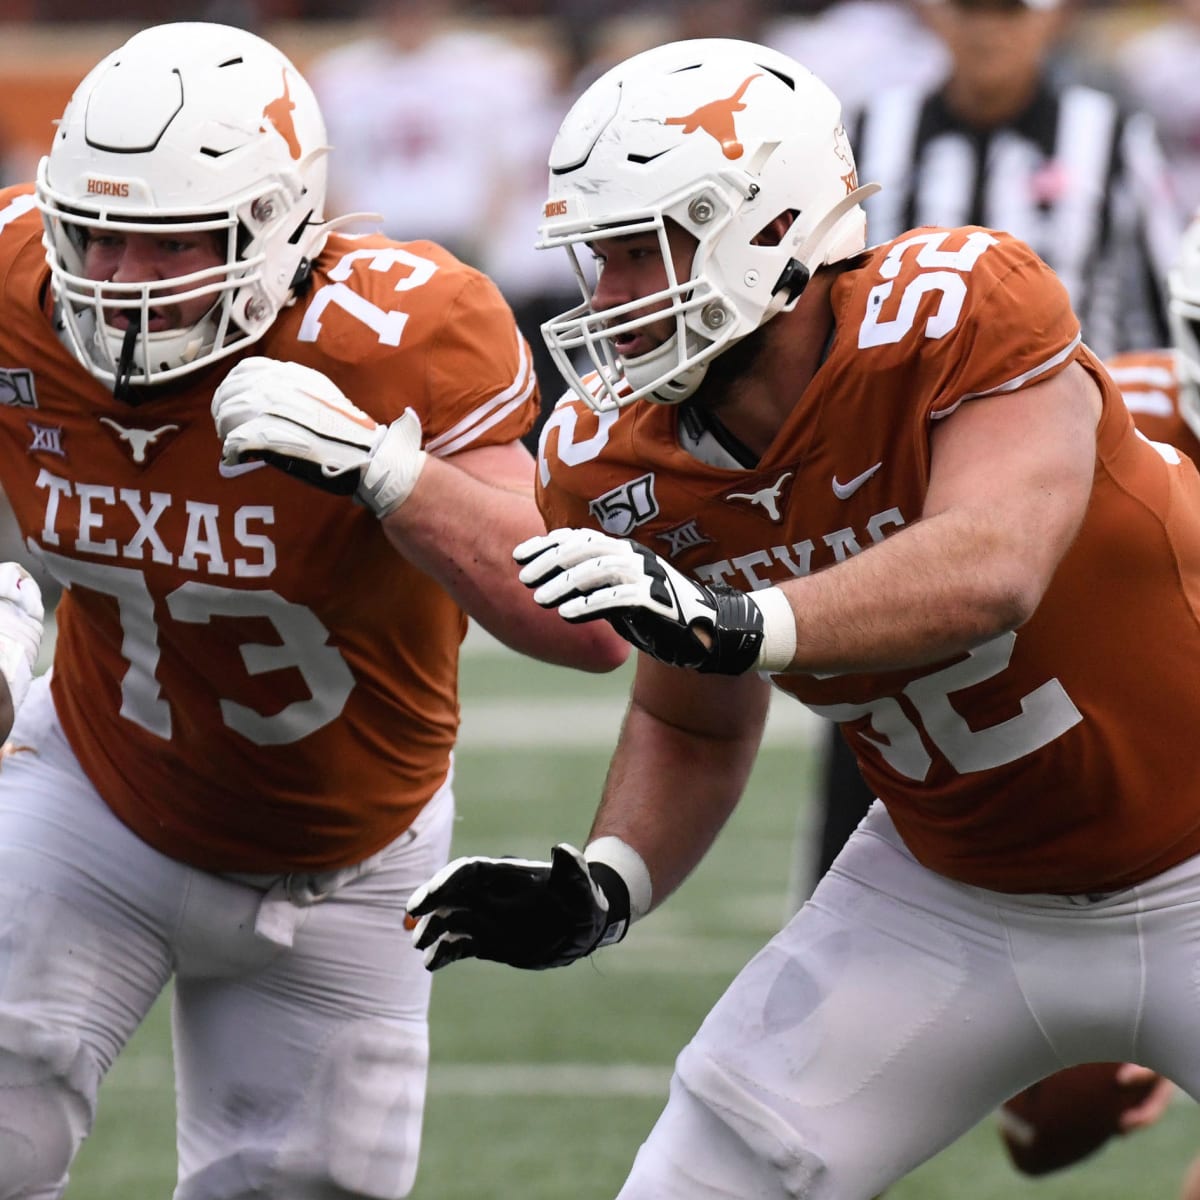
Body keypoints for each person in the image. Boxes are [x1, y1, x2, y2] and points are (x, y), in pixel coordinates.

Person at [405, 37, 1200, 1199]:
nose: (609, 301)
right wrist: (610, 881)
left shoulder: (958, 307)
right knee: (704, 1172)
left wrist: (735, 619)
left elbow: (994, 566)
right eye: (596, 260)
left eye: (641, 253)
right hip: (949, 889)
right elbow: (695, 724)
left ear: (773, 227)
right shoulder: (610, 457)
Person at [0, 20, 629, 1199]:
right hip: (96, 788)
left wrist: (394, 477)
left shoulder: (404, 334)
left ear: (281, 221)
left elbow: (585, 629)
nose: (122, 285)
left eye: (169, 242)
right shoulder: (17, 281)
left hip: (354, 856)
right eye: (97, 235)